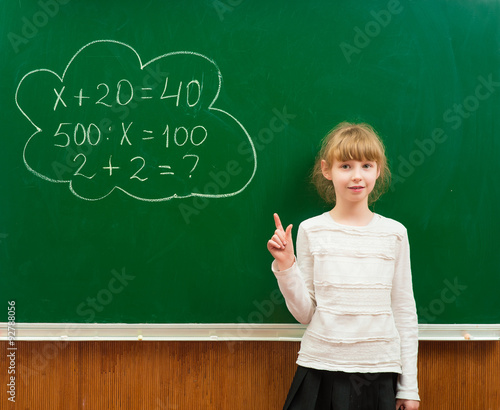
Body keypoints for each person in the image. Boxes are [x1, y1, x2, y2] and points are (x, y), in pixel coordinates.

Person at [267, 122, 420, 410]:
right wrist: (286, 265)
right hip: (320, 369)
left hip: (379, 372)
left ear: (378, 170)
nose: (357, 176)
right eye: (346, 166)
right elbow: (305, 313)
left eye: (366, 165)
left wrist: (408, 386)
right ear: (327, 170)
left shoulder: (395, 234)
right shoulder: (311, 230)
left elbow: (403, 311)